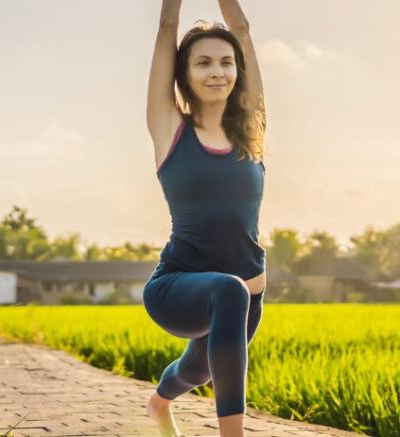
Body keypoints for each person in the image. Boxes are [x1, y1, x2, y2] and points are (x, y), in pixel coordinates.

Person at [142, 0, 268, 436]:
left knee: (196, 372)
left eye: (226, 63)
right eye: (203, 63)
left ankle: (159, 404)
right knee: (226, 289)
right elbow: (165, 27)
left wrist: (235, 22)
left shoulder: (252, 130)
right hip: (176, 288)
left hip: (246, 295)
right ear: (185, 74)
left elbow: (244, 29)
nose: (218, 72)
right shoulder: (169, 128)